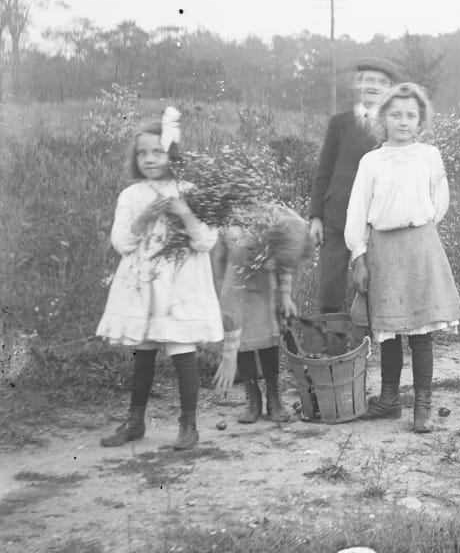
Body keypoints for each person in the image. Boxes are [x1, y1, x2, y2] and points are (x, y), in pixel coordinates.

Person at [96, 116, 224, 450]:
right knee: (144, 353)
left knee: (182, 350)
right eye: (142, 153)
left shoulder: (191, 192)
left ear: (172, 154)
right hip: (143, 285)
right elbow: (122, 243)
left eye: (157, 152)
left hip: (180, 286)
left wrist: (184, 213)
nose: (149, 159)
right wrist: (145, 217)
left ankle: (188, 425)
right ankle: (135, 421)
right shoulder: (131, 195)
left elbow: (206, 242)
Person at [345, 83, 460, 433]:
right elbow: (357, 211)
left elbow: (439, 199)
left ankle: (422, 406)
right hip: (383, 250)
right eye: (395, 115)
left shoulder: (429, 155)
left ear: (420, 120)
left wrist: (418, 228)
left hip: (420, 248)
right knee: (389, 331)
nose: (403, 121)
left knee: (421, 333)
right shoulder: (371, 161)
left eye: (410, 115)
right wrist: (359, 256)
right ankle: (389, 400)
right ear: (383, 118)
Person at [309, 58, 400, 314]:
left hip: (376, 215)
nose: (374, 86)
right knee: (331, 282)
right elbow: (324, 170)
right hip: (337, 214)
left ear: (390, 89)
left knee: (375, 279)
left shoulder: (394, 125)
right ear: (357, 84)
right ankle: (331, 334)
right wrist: (316, 217)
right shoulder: (339, 122)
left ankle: (371, 333)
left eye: (381, 82)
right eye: (368, 80)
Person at [212, 205, 308, 424]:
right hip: (237, 285)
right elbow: (219, 263)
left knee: (268, 339)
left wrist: (285, 295)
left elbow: (287, 259)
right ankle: (253, 398)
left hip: (265, 289)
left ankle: (274, 398)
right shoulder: (231, 231)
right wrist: (229, 356)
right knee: (244, 342)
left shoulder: (275, 219)